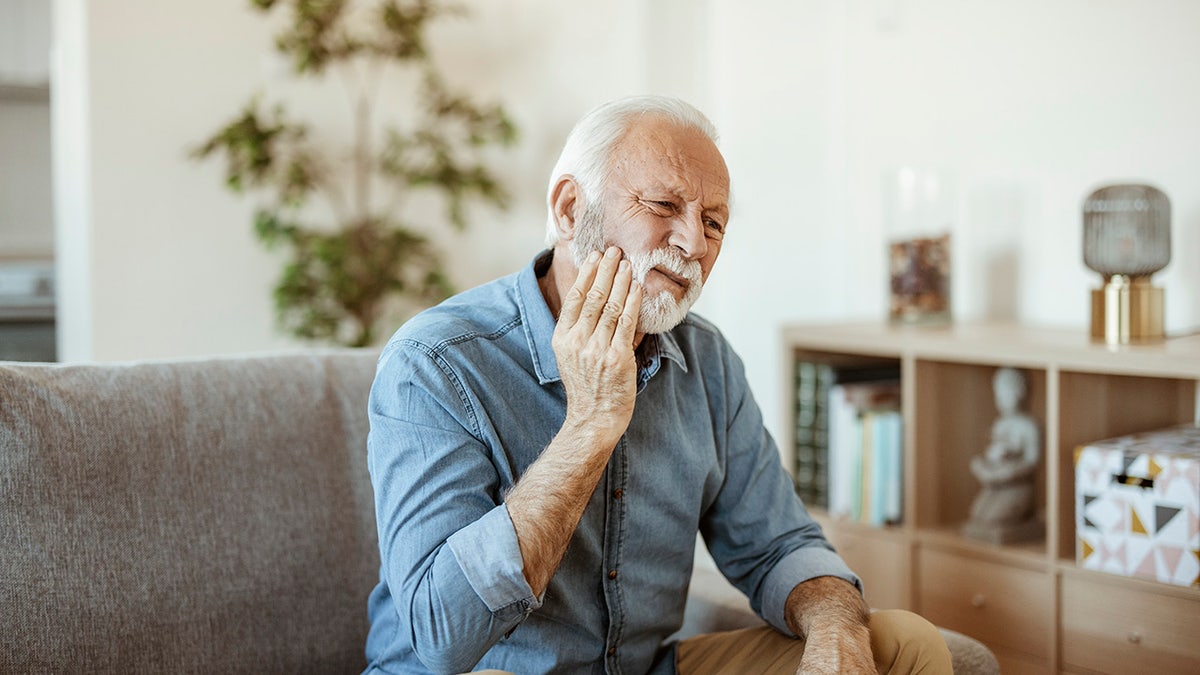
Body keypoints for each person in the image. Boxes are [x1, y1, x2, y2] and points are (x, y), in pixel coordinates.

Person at [364, 95, 952, 674]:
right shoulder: (435, 362)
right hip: (482, 672)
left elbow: (778, 545)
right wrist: (591, 425)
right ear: (571, 211)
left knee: (901, 644)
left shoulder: (707, 360)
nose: (693, 243)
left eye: (713, 223)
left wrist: (835, 629)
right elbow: (442, 635)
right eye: (664, 205)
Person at [963, 367, 1042, 544]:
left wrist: (1008, 471)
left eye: (1006, 392)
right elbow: (991, 453)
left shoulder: (1028, 426)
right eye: (998, 393)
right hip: (995, 485)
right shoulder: (999, 425)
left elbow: (1032, 462)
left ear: (1020, 392)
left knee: (994, 518)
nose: (1001, 399)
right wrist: (983, 465)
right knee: (978, 513)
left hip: (1016, 486)